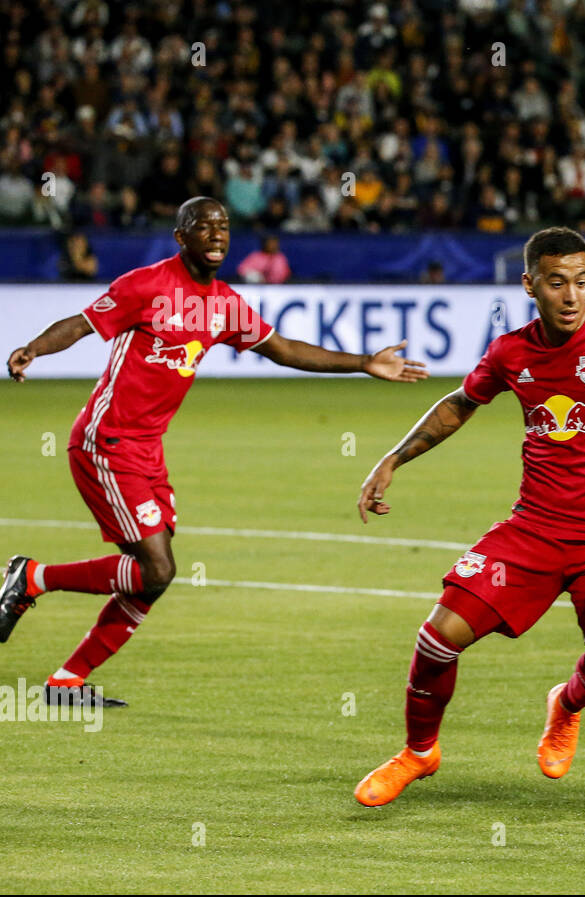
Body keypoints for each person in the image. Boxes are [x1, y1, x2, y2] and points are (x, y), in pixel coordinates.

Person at [1, 197, 428, 706]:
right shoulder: (146, 285)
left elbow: (285, 349)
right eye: (204, 227)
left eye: (223, 226)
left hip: (147, 452)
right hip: (106, 441)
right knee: (157, 569)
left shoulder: (225, 305)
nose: (217, 235)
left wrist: (363, 362)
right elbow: (80, 323)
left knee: (151, 578)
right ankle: (32, 578)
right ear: (181, 237)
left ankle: (65, 681)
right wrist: (33, 348)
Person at [352, 226, 585, 806]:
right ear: (529, 285)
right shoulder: (511, 353)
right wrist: (394, 458)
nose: (571, 295)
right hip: (532, 532)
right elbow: (459, 404)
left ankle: (565, 704)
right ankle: (419, 753)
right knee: (437, 638)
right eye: (556, 283)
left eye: (581, 281)